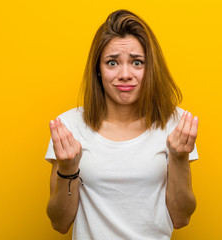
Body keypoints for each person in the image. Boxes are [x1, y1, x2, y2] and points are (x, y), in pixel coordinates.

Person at [45, 9, 199, 240]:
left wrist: (178, 158)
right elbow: (59, 222)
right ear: (98, 69)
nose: (125, 74)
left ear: (150, 69)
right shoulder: (69, 126)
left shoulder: (175, 124)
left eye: (137, 62)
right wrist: (68, 169)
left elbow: (181, 218)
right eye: (112, 62)